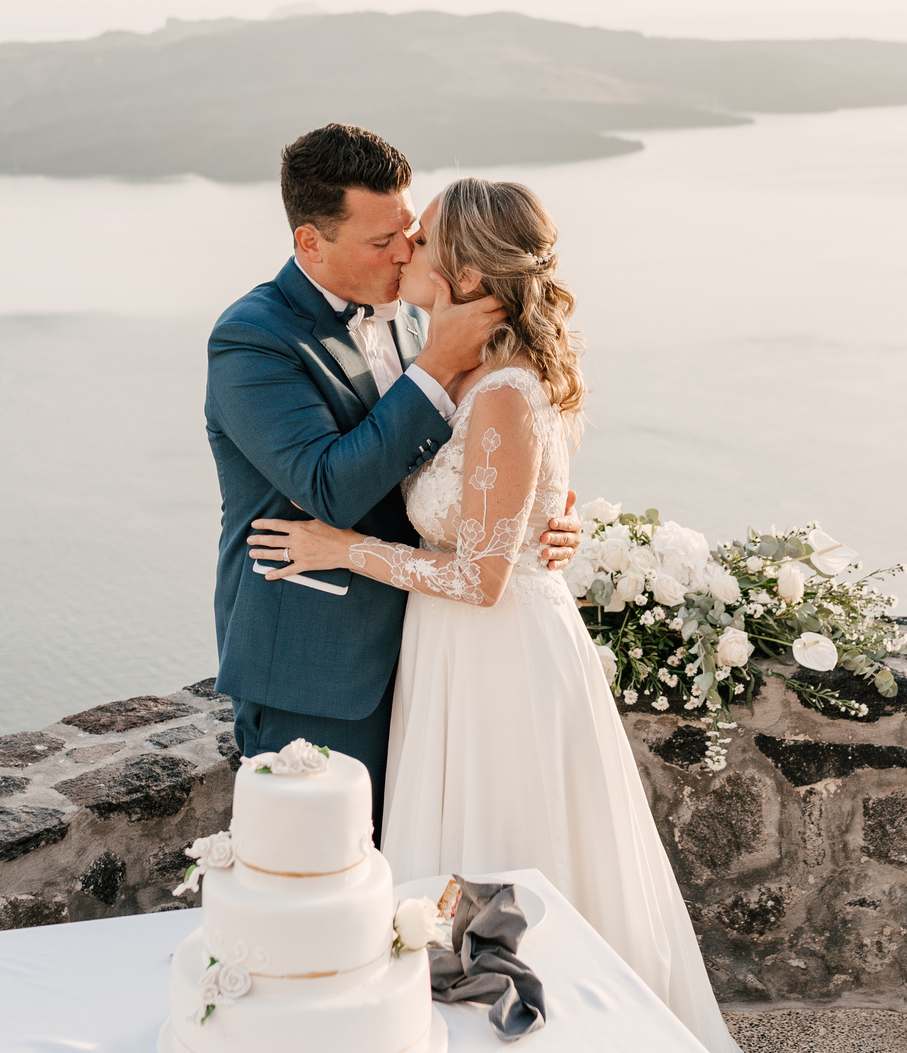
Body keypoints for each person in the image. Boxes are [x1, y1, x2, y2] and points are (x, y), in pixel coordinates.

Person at [248, 176, 741, 1053]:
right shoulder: (454, 358)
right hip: (453, 651)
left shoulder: (505, 387)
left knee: (513, 853)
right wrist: (546, 509)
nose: (409, 251)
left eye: (426, 240)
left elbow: (480, 576)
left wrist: (341, 547)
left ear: (470, 271)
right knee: (454, 862)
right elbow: (492, 511)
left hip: (499, 654)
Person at [204, 124, 581, 837]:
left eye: (409, 231)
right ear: (311, 242)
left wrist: (537, 522)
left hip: (431, 659)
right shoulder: (254, 340)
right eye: (383, 242)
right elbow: (329, 488)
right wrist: (434, 365)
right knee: (311, 876)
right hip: (316, 669)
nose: (406, 250)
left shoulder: (420, 317)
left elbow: (481, 449)